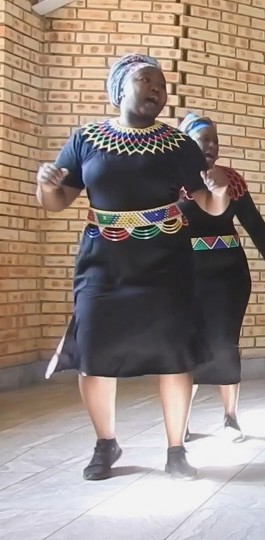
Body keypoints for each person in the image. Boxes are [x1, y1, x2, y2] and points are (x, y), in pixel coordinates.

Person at [38, 54, 231, 480]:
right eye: (146, 80)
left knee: (174, 355)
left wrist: (220, 194)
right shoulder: (86, 139)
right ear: (121, 87)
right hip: (102, 265)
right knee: (94, 352)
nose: (156, 89)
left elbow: (209, 204)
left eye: (162, 85)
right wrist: (45, 186)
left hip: (166, 264)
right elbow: (57, 201)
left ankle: (176, 450)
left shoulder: (179, 144)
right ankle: (105, 443)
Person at [177, 113, 265, 443]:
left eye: (215, 140)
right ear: (186, 144)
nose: (211, 145)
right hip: (186, 275)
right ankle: (181, 423)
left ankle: (230, 418)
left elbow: (254, 223)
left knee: (225, 343)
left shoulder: (232, 180)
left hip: (229, 275)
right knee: (186, 347)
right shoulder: (172, 181)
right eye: (203, 139)